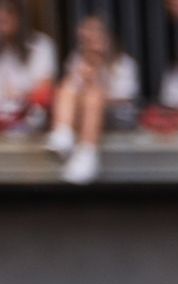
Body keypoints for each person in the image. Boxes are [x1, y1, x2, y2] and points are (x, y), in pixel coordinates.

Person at [44, 11, 132, 185]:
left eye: (95, 33)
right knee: (67, 86)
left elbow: (124, 99)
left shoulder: (124, 63)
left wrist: (96, 81)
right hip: (81, 115)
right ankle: (62, 133)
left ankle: (87, 154)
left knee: (94, 95)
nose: (90, 39)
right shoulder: (78, 59)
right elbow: (71, 93)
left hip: (114, 117)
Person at [0, 0, 55, 137]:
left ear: (20, 17)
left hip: (29, 119)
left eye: (8, 13)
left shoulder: (41, 45)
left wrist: (21, 96)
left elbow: (44, 89)